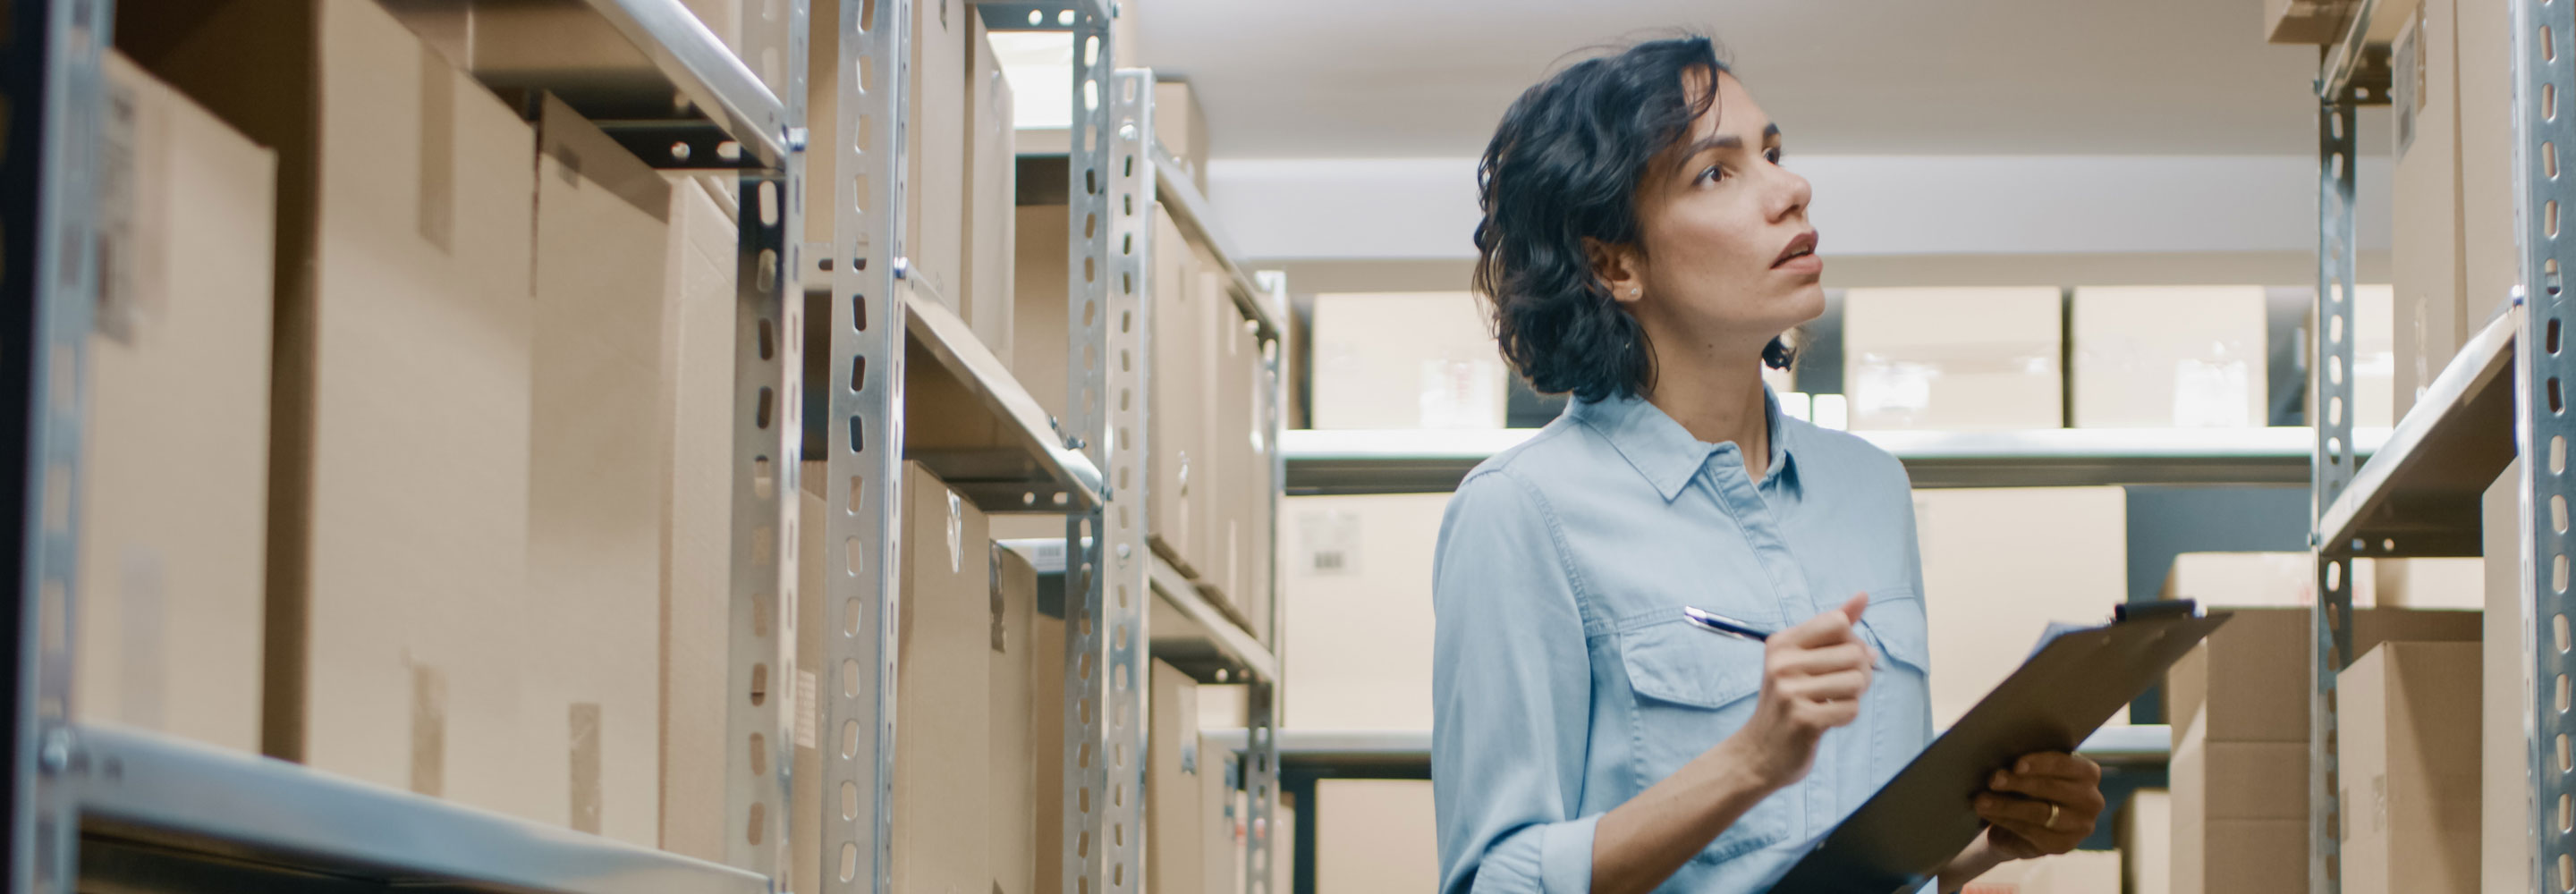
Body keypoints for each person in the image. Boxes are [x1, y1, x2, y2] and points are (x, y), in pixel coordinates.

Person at [1431, 35, 2106, 894]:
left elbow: (1872, 862)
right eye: (1717, 172)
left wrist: (1995, 833)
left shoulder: (1871, 489)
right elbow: (1496, 880)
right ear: (1614, 263)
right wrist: (1748, 760)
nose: (1791, 190)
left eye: (1774, 153)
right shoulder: (1521, 512)